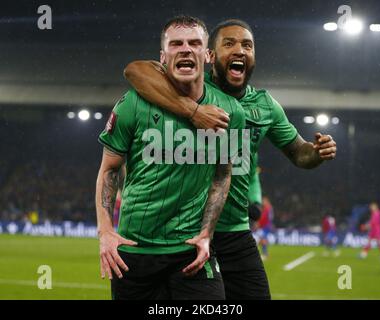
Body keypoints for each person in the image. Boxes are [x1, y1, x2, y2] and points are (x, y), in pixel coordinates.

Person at [123, 19, 337, 300]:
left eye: (247, 45)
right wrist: (194, 111)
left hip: (234, 230)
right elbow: (136, 71)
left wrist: (317, 152)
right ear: (209, 56)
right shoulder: (188, 87)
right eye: (229, 44)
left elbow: (300, 153)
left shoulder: (265, 106)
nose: (240, 50)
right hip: (185, 231)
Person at [96, 15, 245, 300]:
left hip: (191, 254)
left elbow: (223, 174)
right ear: (162, 57)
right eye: (176, 44)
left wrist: (206, 234)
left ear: (208, 55)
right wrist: (105, 231)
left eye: (194, 43)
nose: (186, 49)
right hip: (134, 253)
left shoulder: (232, 111)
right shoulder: (131, 104)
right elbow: (109, 171)